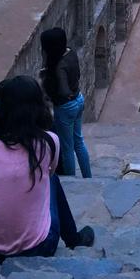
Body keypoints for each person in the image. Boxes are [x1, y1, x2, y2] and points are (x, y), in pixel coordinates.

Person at [0, 76, 94, 263]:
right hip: (37, 247)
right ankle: (73, 238)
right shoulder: (49, 142)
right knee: (51, 180)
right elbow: (51, 172)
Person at [39, 28, 92, 178]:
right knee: (79, 142)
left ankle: (71, 180)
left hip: (66, 105)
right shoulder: (70, 53)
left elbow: (63, 90)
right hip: (79, 99)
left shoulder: (59, 66)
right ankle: (88, 177)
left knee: (67, 148)